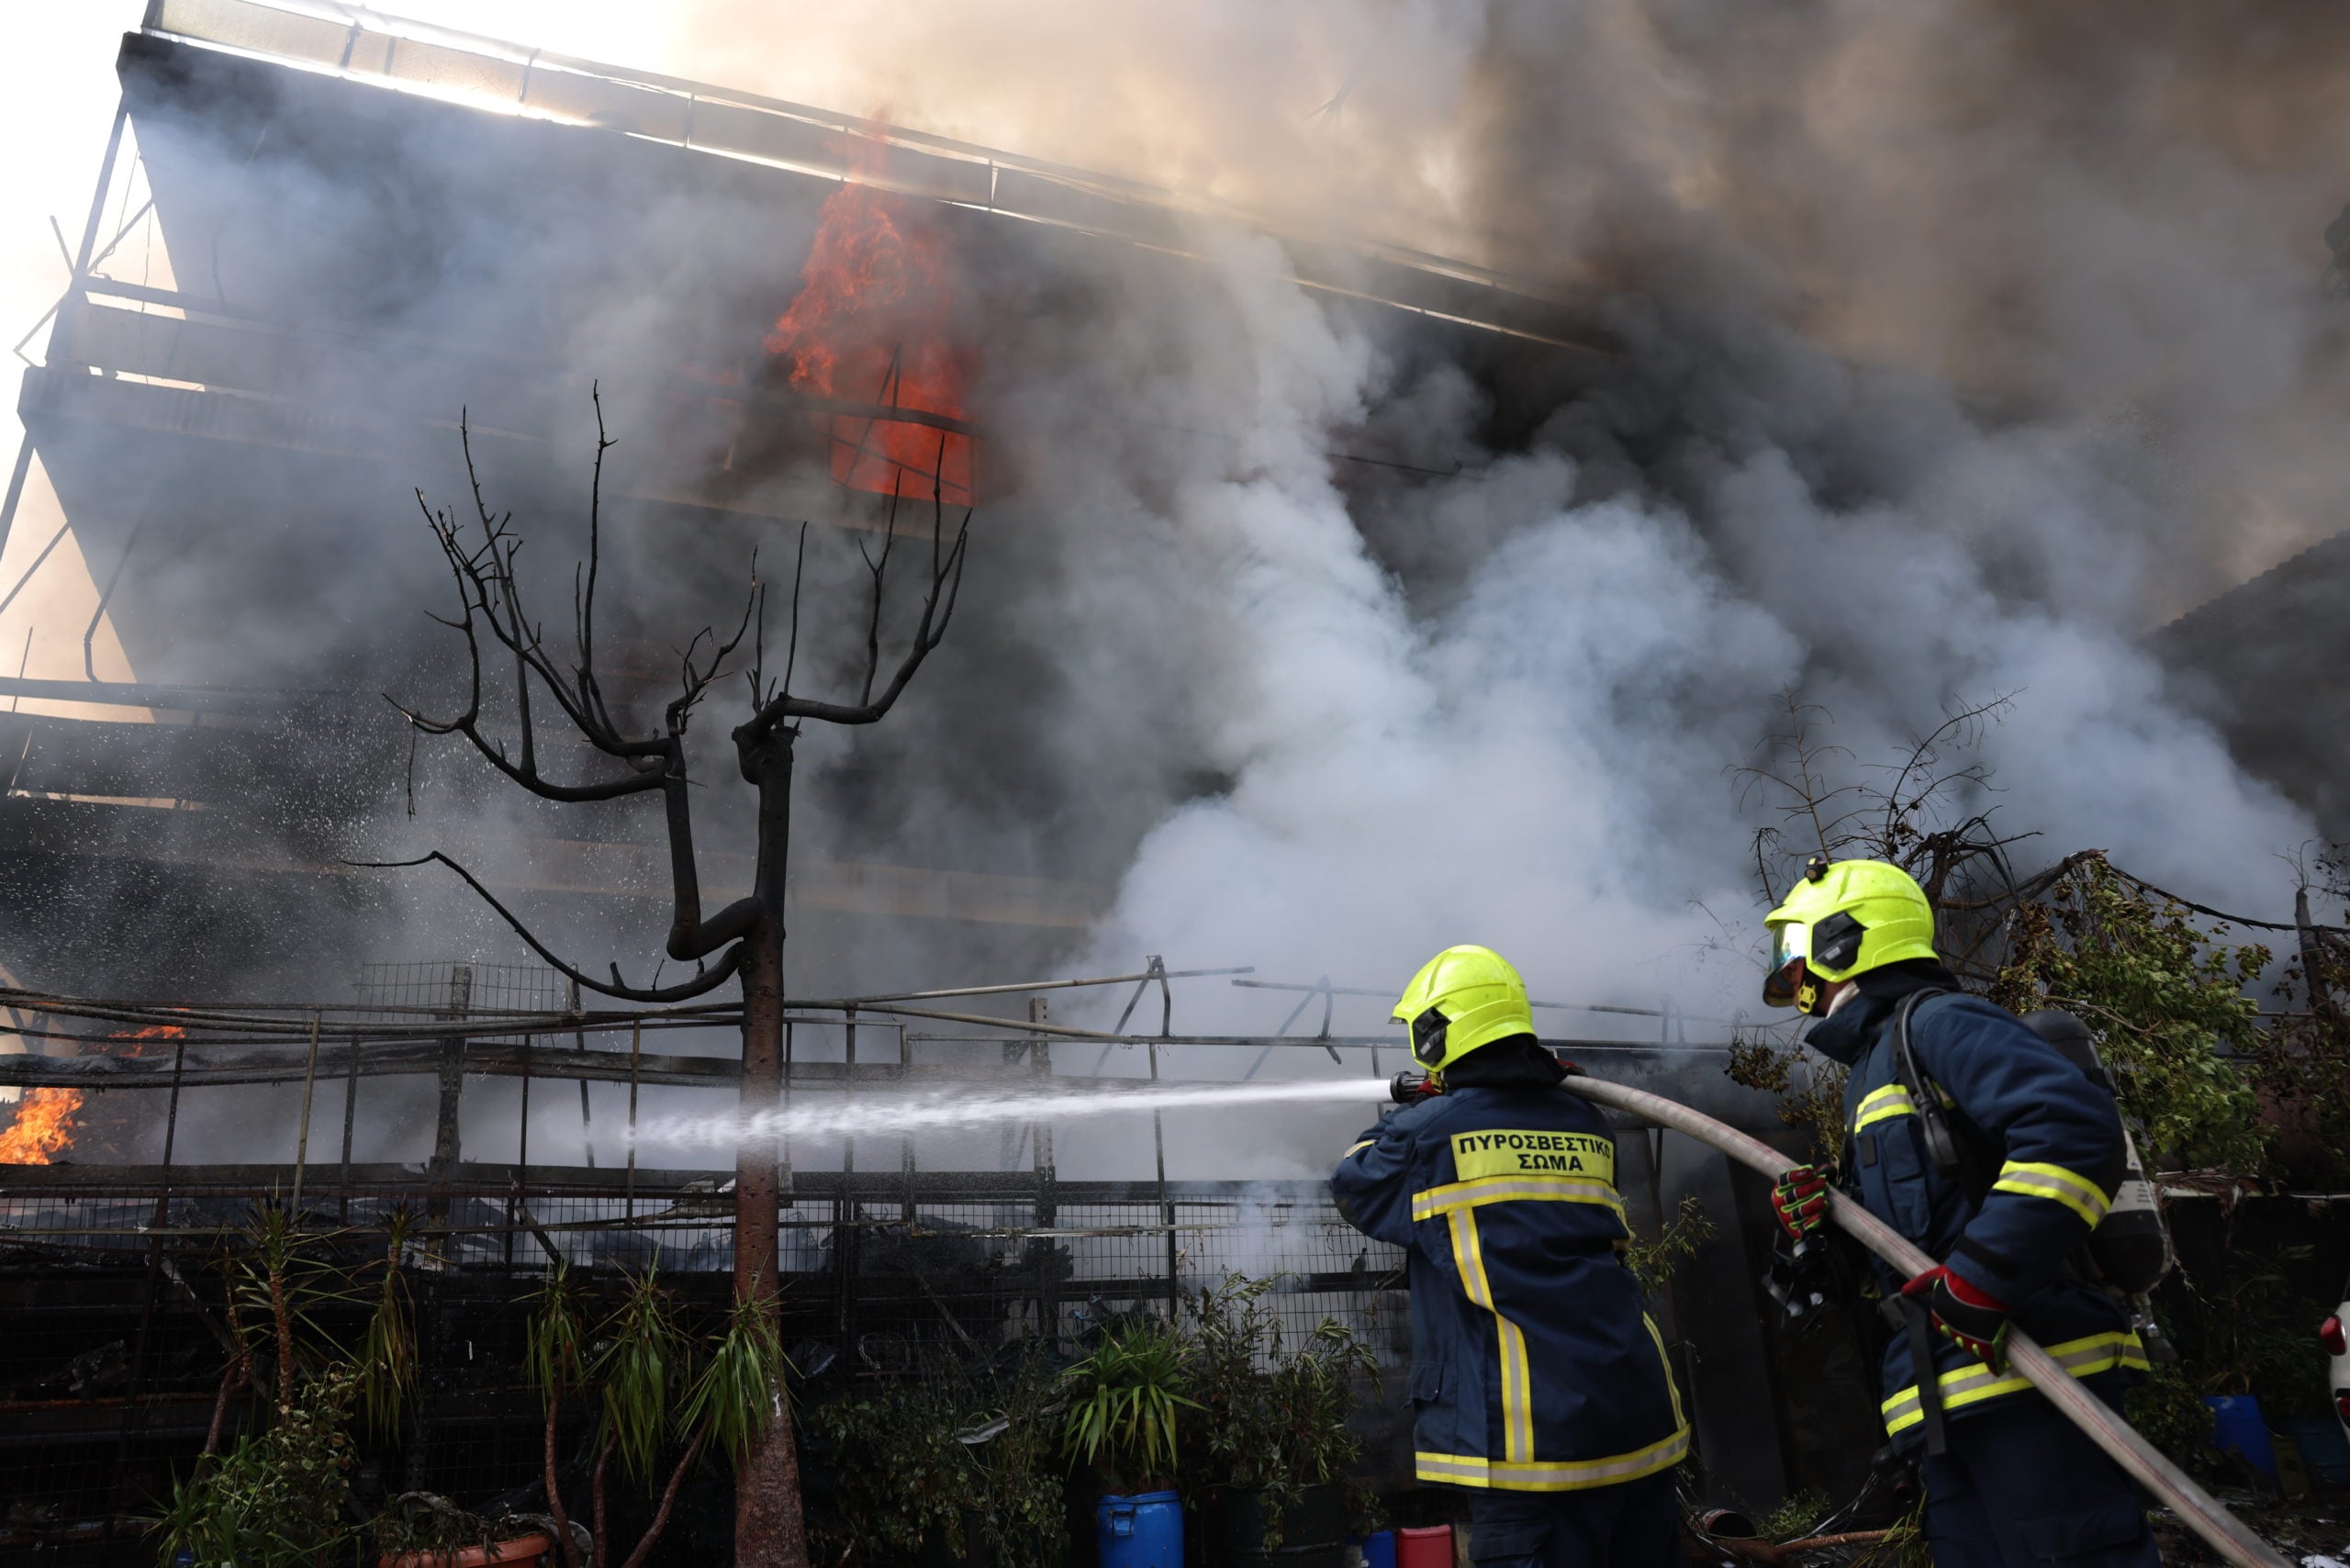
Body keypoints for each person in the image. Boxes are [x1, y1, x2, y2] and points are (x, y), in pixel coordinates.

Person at [1762, 857, 2157, 1568]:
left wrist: (1984, 1277)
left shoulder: (1940, 1024)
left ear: (1845, 942)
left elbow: (2072, 1130)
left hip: (2031, 1388)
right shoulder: (1875, 1069)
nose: (1790, 975)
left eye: (1795, 952)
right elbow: (1919, 1227)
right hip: (1947, 1405)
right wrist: (1828, 1220)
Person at [1332, 945, 1688, 1568]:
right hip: (1636, 1422)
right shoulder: (1587, 1122)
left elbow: (1355, 1181)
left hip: (1533, 1448)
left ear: (1437, 1033)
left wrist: (1418, 1110)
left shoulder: (1426, 1135)